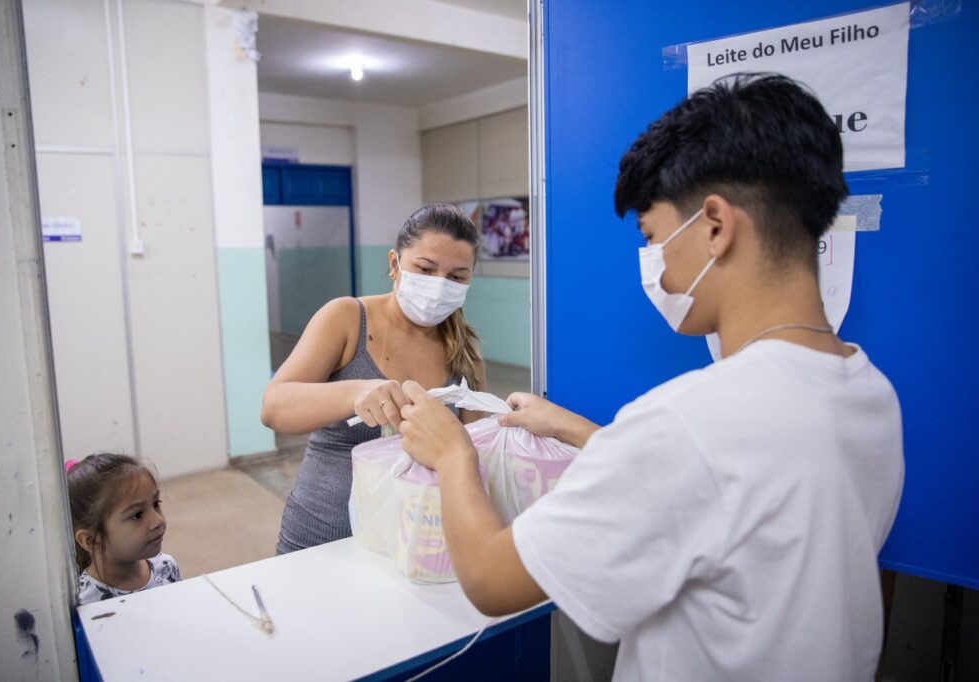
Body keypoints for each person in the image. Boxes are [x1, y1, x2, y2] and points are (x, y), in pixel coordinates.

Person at [395, 73, 904, 680]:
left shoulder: (688, 423)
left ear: (715, 225)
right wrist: (578, 429)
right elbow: (727, 492)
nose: (657, 274)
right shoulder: (866, 387)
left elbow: (490, 579)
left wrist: (452, 453)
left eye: (654, 238)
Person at [262, 204, 487, 554]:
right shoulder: (346, 319)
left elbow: (473, 452)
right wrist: (354, 392)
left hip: (415, 541)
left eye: (456, 277)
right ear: (395, 264)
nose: (438, 286)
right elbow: (274, 408)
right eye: (425, 269)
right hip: (325, 535)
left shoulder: (465, 356)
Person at [66, 453, 180, 605]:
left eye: (156, 504)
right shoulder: (84, 602)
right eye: (137, 515)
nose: (158, 521)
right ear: (91, 540)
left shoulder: (166, 567)